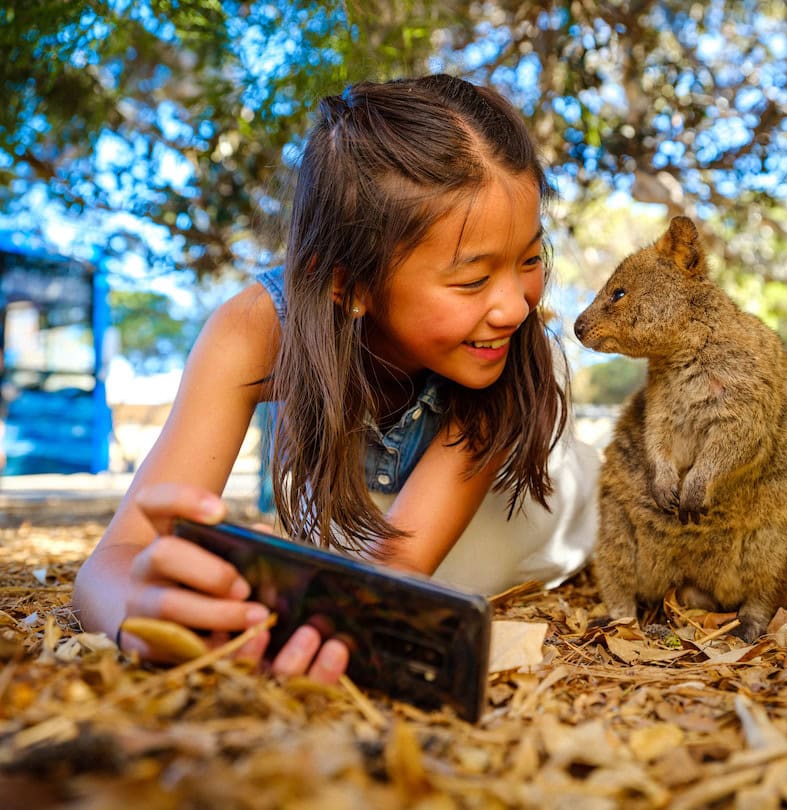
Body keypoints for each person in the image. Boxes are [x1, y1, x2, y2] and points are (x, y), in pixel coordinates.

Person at [72, 74, 598, 684]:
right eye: (472, 280)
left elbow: (397, 567)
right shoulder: (254, 330)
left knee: (446, 577)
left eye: (530, 259)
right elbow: (109, 563)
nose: (515, 304)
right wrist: (139, 614)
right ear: (346, 285)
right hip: (374, 511)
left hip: (540, 499)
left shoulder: (507, 352)